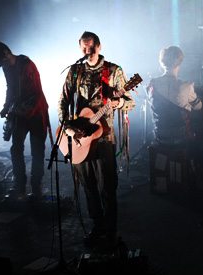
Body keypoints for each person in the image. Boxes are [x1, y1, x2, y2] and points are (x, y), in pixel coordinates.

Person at [57, 31, 135, 247]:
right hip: (80, 138)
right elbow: (63, 101)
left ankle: (110, 230)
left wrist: (118, 103)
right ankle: (97, 225)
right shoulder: (75, 71)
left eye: (91, 47)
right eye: (83, 48)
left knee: (107, 188)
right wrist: (68, 129)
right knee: (88, 187)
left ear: (99, 46)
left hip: (103, 138)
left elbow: (129, 101)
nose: (87, 51)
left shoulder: (113, 70)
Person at [0, 41, 52, 198]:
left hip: (37, 113)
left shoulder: (27, 65)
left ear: (6, 53)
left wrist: (24, 112)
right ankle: (20, 185)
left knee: (37, 151)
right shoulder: (7, 67)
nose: (2, 66)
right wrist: (6, 106)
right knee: (16, 149)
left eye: (2, 62)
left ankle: (36, 187)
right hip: (19, 114)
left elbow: (36, 93)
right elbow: (11, 88)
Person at [148, 46, 202, 147]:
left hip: (159, 138)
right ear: (180, 63)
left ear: (162, 63)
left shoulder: (152, 84)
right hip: (181, 139)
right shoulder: (187, 86)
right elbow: (198, 106)